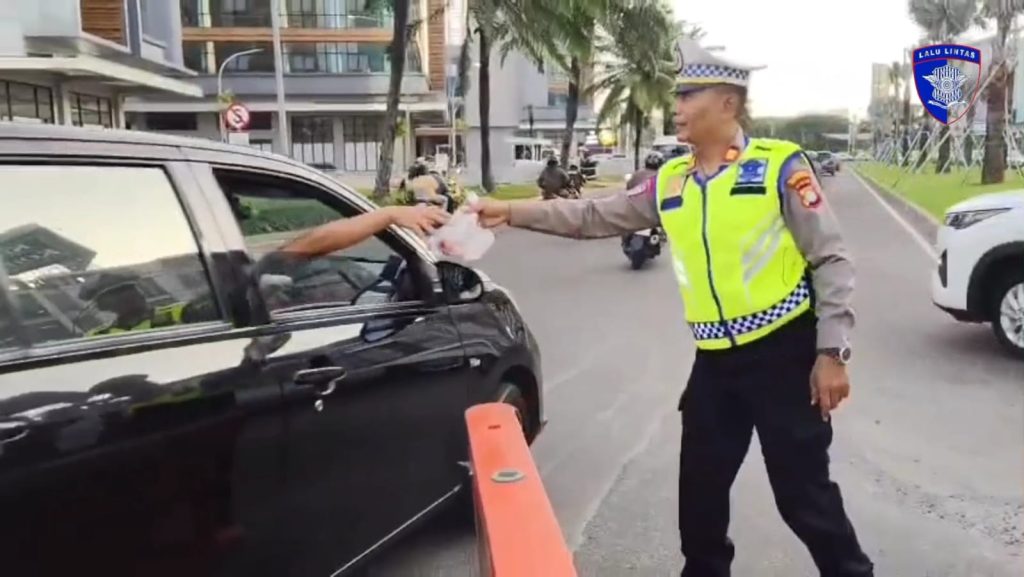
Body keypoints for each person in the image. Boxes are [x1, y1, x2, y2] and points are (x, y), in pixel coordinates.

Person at [471, 38, 874, 577]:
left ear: (728, 104)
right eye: (676, 96)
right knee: (699, 502)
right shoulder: (670, 182)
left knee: (804, 498)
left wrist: (833, 350)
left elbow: (831, 259)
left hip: (785, 354)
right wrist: (510, 212)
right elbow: (592, 216)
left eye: (688, 95)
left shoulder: (778, 167)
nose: (677, 106)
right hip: (715, 363)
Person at [80, 204, 449, 335]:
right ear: (106, 304)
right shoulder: (187, 316)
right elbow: (302, 249)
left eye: (133, 285)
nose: (136, 293)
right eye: (123, 291)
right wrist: (385, 216)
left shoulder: (175, 313)